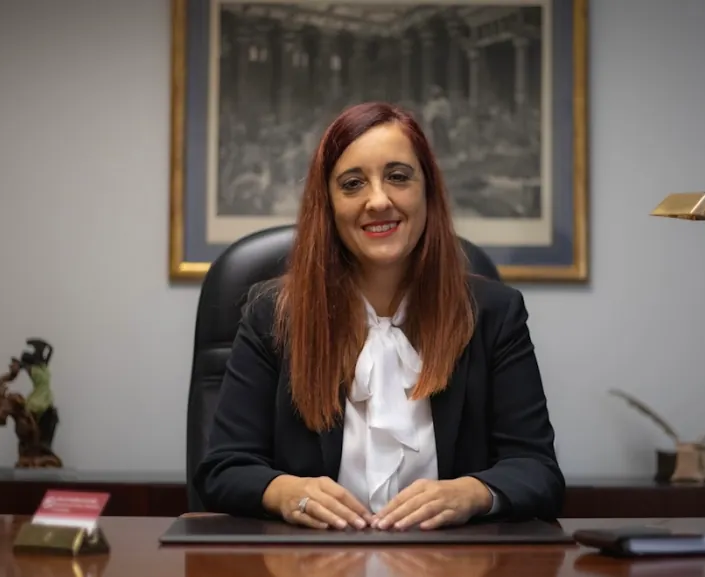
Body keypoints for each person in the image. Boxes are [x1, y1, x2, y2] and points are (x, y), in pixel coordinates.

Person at [193, 101, 564, 531]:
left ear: (427, 191)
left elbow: (539, 472)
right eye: (352, 184)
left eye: (398, 177)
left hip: (453, 558)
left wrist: (473, 493)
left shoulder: (494, 314)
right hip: (310, 558)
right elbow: (223, 469)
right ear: (328, 205)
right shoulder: (273, 315)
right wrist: (285, 492)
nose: (379, 200)